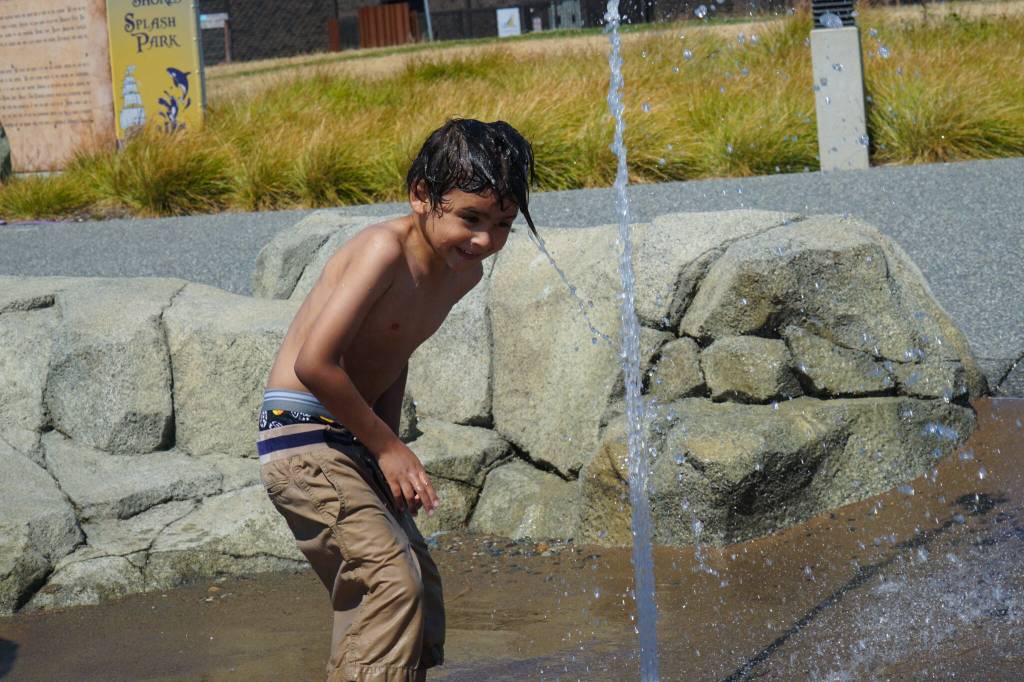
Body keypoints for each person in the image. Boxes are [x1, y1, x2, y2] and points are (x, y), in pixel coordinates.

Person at [256, 118, 537, 682]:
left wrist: (383, 448)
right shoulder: (384, 251)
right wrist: (389, 449)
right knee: (391, 581)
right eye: (470, 218)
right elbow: (315, 363)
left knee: (419, 592)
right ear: (420, 198)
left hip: (352, 437)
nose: (484, 239)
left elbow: (394, 351)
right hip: (302, 433)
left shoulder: (463, 276)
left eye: (502, 223)